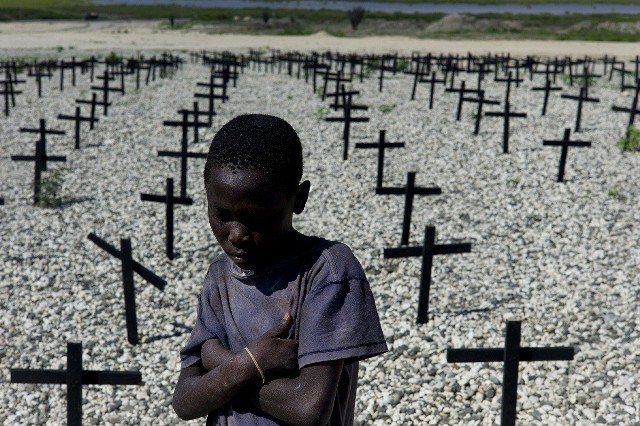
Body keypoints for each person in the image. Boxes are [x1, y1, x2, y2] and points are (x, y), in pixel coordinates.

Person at [172, 114, 388, 425]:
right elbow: (184, 402)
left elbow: (308, 409)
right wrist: (252, 364)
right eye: (222, 215)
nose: (236, 235)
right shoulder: (219, 277)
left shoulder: (326, 272)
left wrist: (220, 368)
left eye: (256, 219)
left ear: (299, 199)